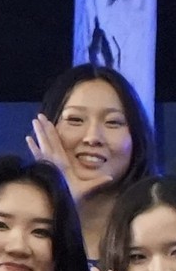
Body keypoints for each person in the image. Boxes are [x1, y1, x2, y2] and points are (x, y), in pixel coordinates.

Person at [27, 64, 155, 224]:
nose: (93, 137)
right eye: (75, 120)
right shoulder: (18, 222)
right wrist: (63, 201)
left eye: (113, 122)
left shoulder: (165, 223)